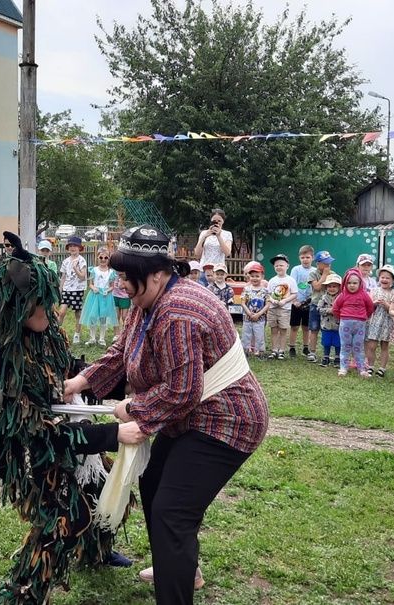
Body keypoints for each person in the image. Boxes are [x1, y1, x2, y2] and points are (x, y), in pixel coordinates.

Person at [64, 225, 268, 605]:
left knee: (172, 512)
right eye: (121, 276)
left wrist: (132, 410)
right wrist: (80, 382)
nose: (122, 284)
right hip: (190, 416)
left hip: (226, 421)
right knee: (154, 482)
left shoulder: (178, 313)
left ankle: (177, 582)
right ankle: (181, 568)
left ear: (157, 274)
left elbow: (181, 390)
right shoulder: (148, 302)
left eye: (128, 277)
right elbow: (121, 353)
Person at [0, 231, 132, 604]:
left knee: (104, 487)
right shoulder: (1, 360)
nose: (47, 310)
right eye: (36, 304)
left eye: (47, 302)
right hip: (27, 451)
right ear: (15, 304)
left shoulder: (48, 333)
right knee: (62, 519)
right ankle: (22, 592)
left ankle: (97, 551)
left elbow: (72, 370)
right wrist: (112, 435)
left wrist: (103, 383)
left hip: (64, 428)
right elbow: (40, 433)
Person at [333, 268, 374, 377]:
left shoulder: (364, 295)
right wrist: (341, 318)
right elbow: (335, 308)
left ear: (360, 283)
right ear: (345, 284)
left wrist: (365, 317)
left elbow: (370, 307)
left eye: (355, 283)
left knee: (358, 347)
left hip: (360, 325)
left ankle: (361, 369)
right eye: (349, 283)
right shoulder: (343, 295)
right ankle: (343, 368)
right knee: (345, 346)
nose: (352, 285)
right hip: (345, 324)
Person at [81, 247, 118, 346]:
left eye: (106, 258)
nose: (103, 260)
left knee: (103, 317)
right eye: (101, 257)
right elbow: (90, 283)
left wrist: (108, 290)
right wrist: (93, 288)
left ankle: (102, 338)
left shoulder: (111, 272)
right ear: (97, 258)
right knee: (92, 316)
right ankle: (92, 337)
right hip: (95, 296)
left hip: (105, 297)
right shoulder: (94, 270)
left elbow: (112, 286)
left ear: (108, 259)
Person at [365, 264, 394, 377]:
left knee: (384, 346)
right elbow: (369, 306)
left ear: (392, 280)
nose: (384, 279)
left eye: (388, 278)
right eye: (382, 277)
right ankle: (370, 366)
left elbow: (393, 310)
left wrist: (387, 305)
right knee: (371, 345)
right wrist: (374, 303)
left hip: (387, 322)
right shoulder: (374, 291)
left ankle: (382, 368)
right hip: (374, 321)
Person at [266, 254, 298, 360]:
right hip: (273, 309)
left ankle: (282, 350)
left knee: (283, 330)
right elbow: (268, 294)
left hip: (285, 309)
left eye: (281, 265)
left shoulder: (291, 280)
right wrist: (273, 300)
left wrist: (284, 300)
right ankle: (274, 350)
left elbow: (294, 294)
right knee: (274, 329)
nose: (279, 267)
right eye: (276, 265)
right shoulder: (272, 280)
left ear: (287, 266)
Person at [305, 250, 335, 362]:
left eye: (329, 263)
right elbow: (317, 287)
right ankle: (312, 352)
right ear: (318, 263)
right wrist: (325, 275)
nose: (328, 265)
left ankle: (327, 353)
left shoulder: (333, 274)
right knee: (314, 329)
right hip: (315, 305)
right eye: (325, 263)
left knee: (328, 330)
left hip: (328, 307)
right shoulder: (313, 273)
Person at [58, 236, 88, 344]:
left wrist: (75, 268)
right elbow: (63, 277)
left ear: (79, 248)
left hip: (78, 290)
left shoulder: (82, 261)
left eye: (75, 246)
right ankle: (57, 332)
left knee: (78, 313)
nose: (72, 248)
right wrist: (60, 290)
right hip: (67, 289)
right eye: (70, 246)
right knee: (61, 312)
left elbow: (82, 276)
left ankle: (77, 334)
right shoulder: (65, 261)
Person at [288, 245, 314, 358]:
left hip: (309, 303)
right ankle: (292, 347)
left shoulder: (315, 271)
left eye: (307, 257)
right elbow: (291, 285)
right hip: (296, 302)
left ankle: (305, 347)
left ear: (312, 258)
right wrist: (294, 301)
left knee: (306, 327)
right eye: (303, 257)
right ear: (299, 258)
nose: (305, 259)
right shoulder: (296, 269)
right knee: (294, 326)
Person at [241, 261, 268, 357]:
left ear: (262, 277)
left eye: (257, 276)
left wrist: (258, 314)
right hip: (247, 318)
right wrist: (249, 313)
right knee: (246, 334)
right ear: (249, 277)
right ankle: (245, 350)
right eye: (252, 276)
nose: (254, 278)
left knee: (259, 334)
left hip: (260, 318)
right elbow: (243, 302)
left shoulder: (265, 291)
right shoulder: (246, 289)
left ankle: (259, 351)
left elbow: (267, 304)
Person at [317, 273, 342, 367]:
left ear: (339, 287)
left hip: (338, 325)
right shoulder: (323, 297)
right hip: (326, 325)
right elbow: (319, 309)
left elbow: (344, 309)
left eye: (334, 286)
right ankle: (325, 357)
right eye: (329, 286)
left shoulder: (341, 297)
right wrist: (329, 310)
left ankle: (337, 358)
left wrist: (336, 311)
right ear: (326, 287)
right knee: (326, 342)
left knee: (338, 342)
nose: (332, 288)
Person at [112, 271, 131, 342]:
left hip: (125, 296)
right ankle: (116, 335)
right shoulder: (113, 271)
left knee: (124, 316)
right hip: (115, 295)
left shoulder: (126, 270)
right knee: (116, 316)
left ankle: (125, 334)